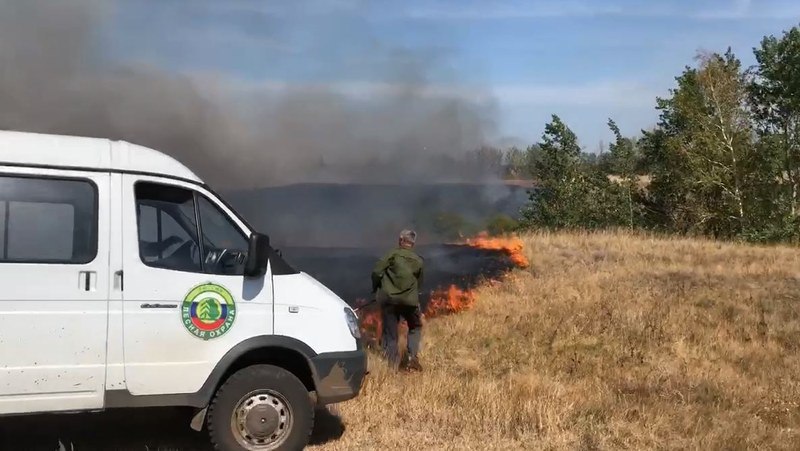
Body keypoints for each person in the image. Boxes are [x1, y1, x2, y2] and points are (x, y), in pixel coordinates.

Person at [371, 229, 425, 372]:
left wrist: (376, 287)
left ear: (401, 240)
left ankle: (392, 365)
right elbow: (419, 281)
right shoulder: (418, 260)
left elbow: (377, 272)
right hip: (410, 302)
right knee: (415, 327)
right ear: (412, 244)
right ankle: (412, 358)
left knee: (391, 333)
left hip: (389, 300)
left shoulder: (392, 255)